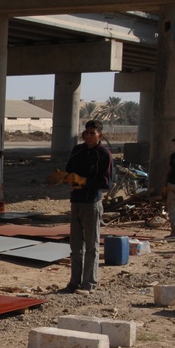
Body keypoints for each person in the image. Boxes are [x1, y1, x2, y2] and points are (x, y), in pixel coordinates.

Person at [63, 120, 112, 293]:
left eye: (92, 133)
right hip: (76, 201)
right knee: (75, 245)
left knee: (91, 245)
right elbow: (69, 170)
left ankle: (89, 283)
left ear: (100, 135)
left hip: (91, 202)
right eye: (87, 133)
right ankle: (74, 282)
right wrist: (65, 177)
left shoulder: (103, 154)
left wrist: (85, 182)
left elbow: (106, 183)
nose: (89, 136)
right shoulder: (77, 150)